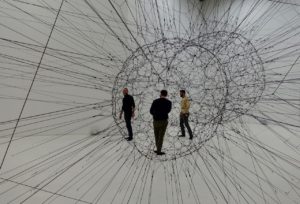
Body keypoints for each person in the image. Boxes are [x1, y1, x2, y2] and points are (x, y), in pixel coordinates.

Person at [150, 90, 172, 155]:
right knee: (161, 136)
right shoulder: (169, 102)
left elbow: (151, 111)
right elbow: (168, 111)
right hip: (164, 121)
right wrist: (162, 113)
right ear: (166, 95)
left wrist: (156, 114)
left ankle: (158, 149)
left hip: (156, 121)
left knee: (156, 135)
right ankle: (159, 151)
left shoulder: (155, 101)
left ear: (160, 94)